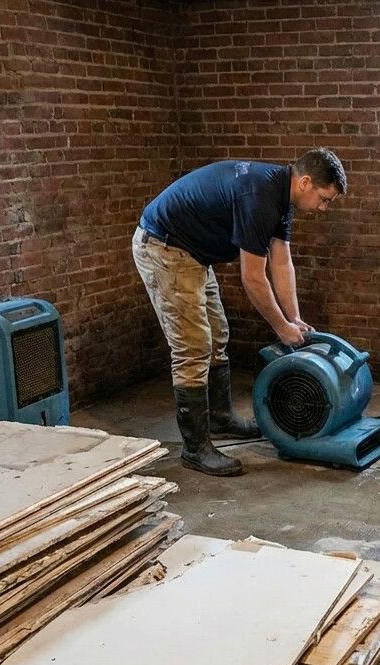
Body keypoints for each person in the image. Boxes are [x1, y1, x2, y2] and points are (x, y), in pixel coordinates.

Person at [133, 149, 346, 477]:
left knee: (218, 335)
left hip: (192, 253)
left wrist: (294, 319)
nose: (323, 208)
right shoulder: (259, 196)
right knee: (193, 347)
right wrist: (280, 328)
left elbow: (281, 261)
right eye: (324, 199)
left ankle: (220, 418)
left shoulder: (281, 197)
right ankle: (195, 449)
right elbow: (252, 277)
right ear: (305, 182)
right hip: (164, 247)